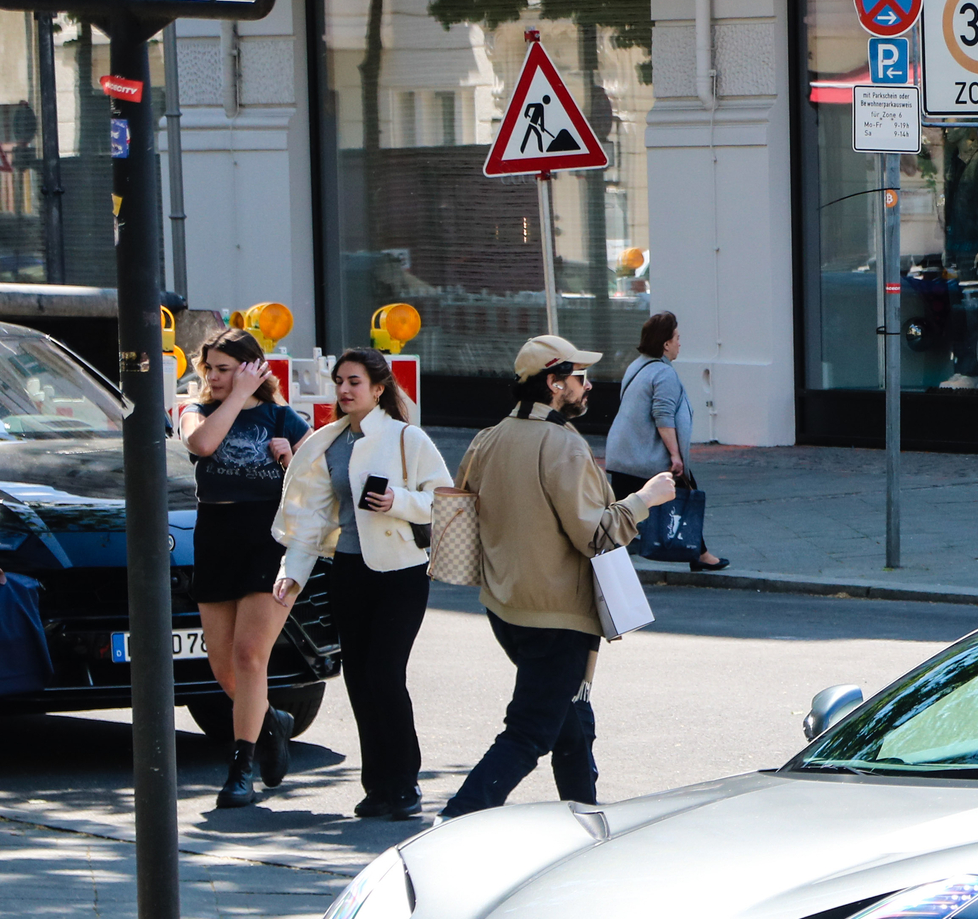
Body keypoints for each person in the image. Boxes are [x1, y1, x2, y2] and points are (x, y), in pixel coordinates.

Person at [442, 335, 675, 818]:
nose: (588, 387)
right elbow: (596, 536)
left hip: (505, 608)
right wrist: (645, 499)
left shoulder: (488, 438)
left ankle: (584, 821)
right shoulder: (563, 445)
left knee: (571, 724)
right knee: (531, 731)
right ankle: (457, 818)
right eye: (580, 378)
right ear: (554, 384)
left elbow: (463, 515)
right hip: (559, 619)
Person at [273, 349, 454, 820]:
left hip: (401, 571)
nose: (344, 390)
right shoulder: (327, 442)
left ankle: (404, 783)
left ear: (378, 389)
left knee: (384, 674)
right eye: (339, 381)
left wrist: (397, 500)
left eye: (354, 381)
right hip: (349, 570)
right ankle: (377, 786)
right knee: (358, 677)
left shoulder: (405, 438)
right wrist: (291, 572)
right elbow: (312, 517)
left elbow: (445, 498)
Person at [178, 329, 309, 803]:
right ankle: (271, 720)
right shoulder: (196, 411)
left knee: (251, 654)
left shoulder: (282, 418)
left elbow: (315, 484)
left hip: (269, 539)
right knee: (223, 667)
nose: (213, 377)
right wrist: (236, 395)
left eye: (224, 369)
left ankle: (240, 769)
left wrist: (289, 457)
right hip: (216, 536)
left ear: (251, 369)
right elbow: (202, 445)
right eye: (209, 368)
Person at [604, 310, 725, 571]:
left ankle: (697, 553)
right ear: (665, 343)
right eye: (677, 337)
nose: (680, 343)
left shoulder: (636, 365)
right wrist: (675, 456)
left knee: (620, 513)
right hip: (646, 457)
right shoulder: (663, 373)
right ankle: (699, 554)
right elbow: (663, 417)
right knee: (686, 493)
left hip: (623, 453)